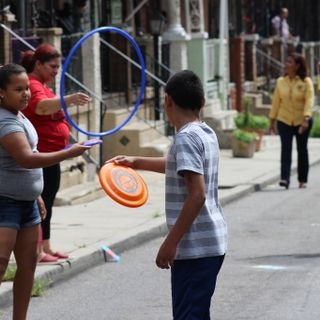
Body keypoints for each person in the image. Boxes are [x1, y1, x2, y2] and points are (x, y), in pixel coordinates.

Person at [107, 70, 227, 319]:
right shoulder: (204, 132)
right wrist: (136, 161)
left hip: (195, 247)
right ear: (202, 103)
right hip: (211, 242)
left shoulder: (185, 139)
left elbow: (197, 195)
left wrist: (170, 242)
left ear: (168, 100)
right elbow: (178, 166)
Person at [0, 63, 91, 320]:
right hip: (5, 203)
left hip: (27, 203)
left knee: (27, 266)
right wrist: (69, 153)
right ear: (1, 93)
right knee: (1, 263)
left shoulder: (19, 114)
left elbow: (31, 154)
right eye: (18, 89)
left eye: (27, 87)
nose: (26, 93)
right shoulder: (4, 120)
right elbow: (26, 159)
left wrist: (37, 193)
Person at [20, 43, 91, 263]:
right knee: (40, 205)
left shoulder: (43, 84)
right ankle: (37, 251)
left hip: (53, 155)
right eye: (52, 66)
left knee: (47, 203)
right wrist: (69, 99)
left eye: (58, 67)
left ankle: (46, 247)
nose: (56, 71)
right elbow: (41, 107)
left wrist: (69, 141)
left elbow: (52, 114)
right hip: (42, 156)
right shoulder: (32, 84)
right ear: (38, 64)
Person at [269, 53, 314, 189]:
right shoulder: (280, 82)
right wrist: (272, 121)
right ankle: (285, 179)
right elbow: (276, 102)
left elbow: (309, 100)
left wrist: (306, 117)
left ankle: (302, 179)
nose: (286, 64)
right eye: (286, 61)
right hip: (284, 120)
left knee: (302, 149)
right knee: (286, 149)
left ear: (297, 65)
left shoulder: (305, 81)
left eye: (289, 62)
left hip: (302, 120)